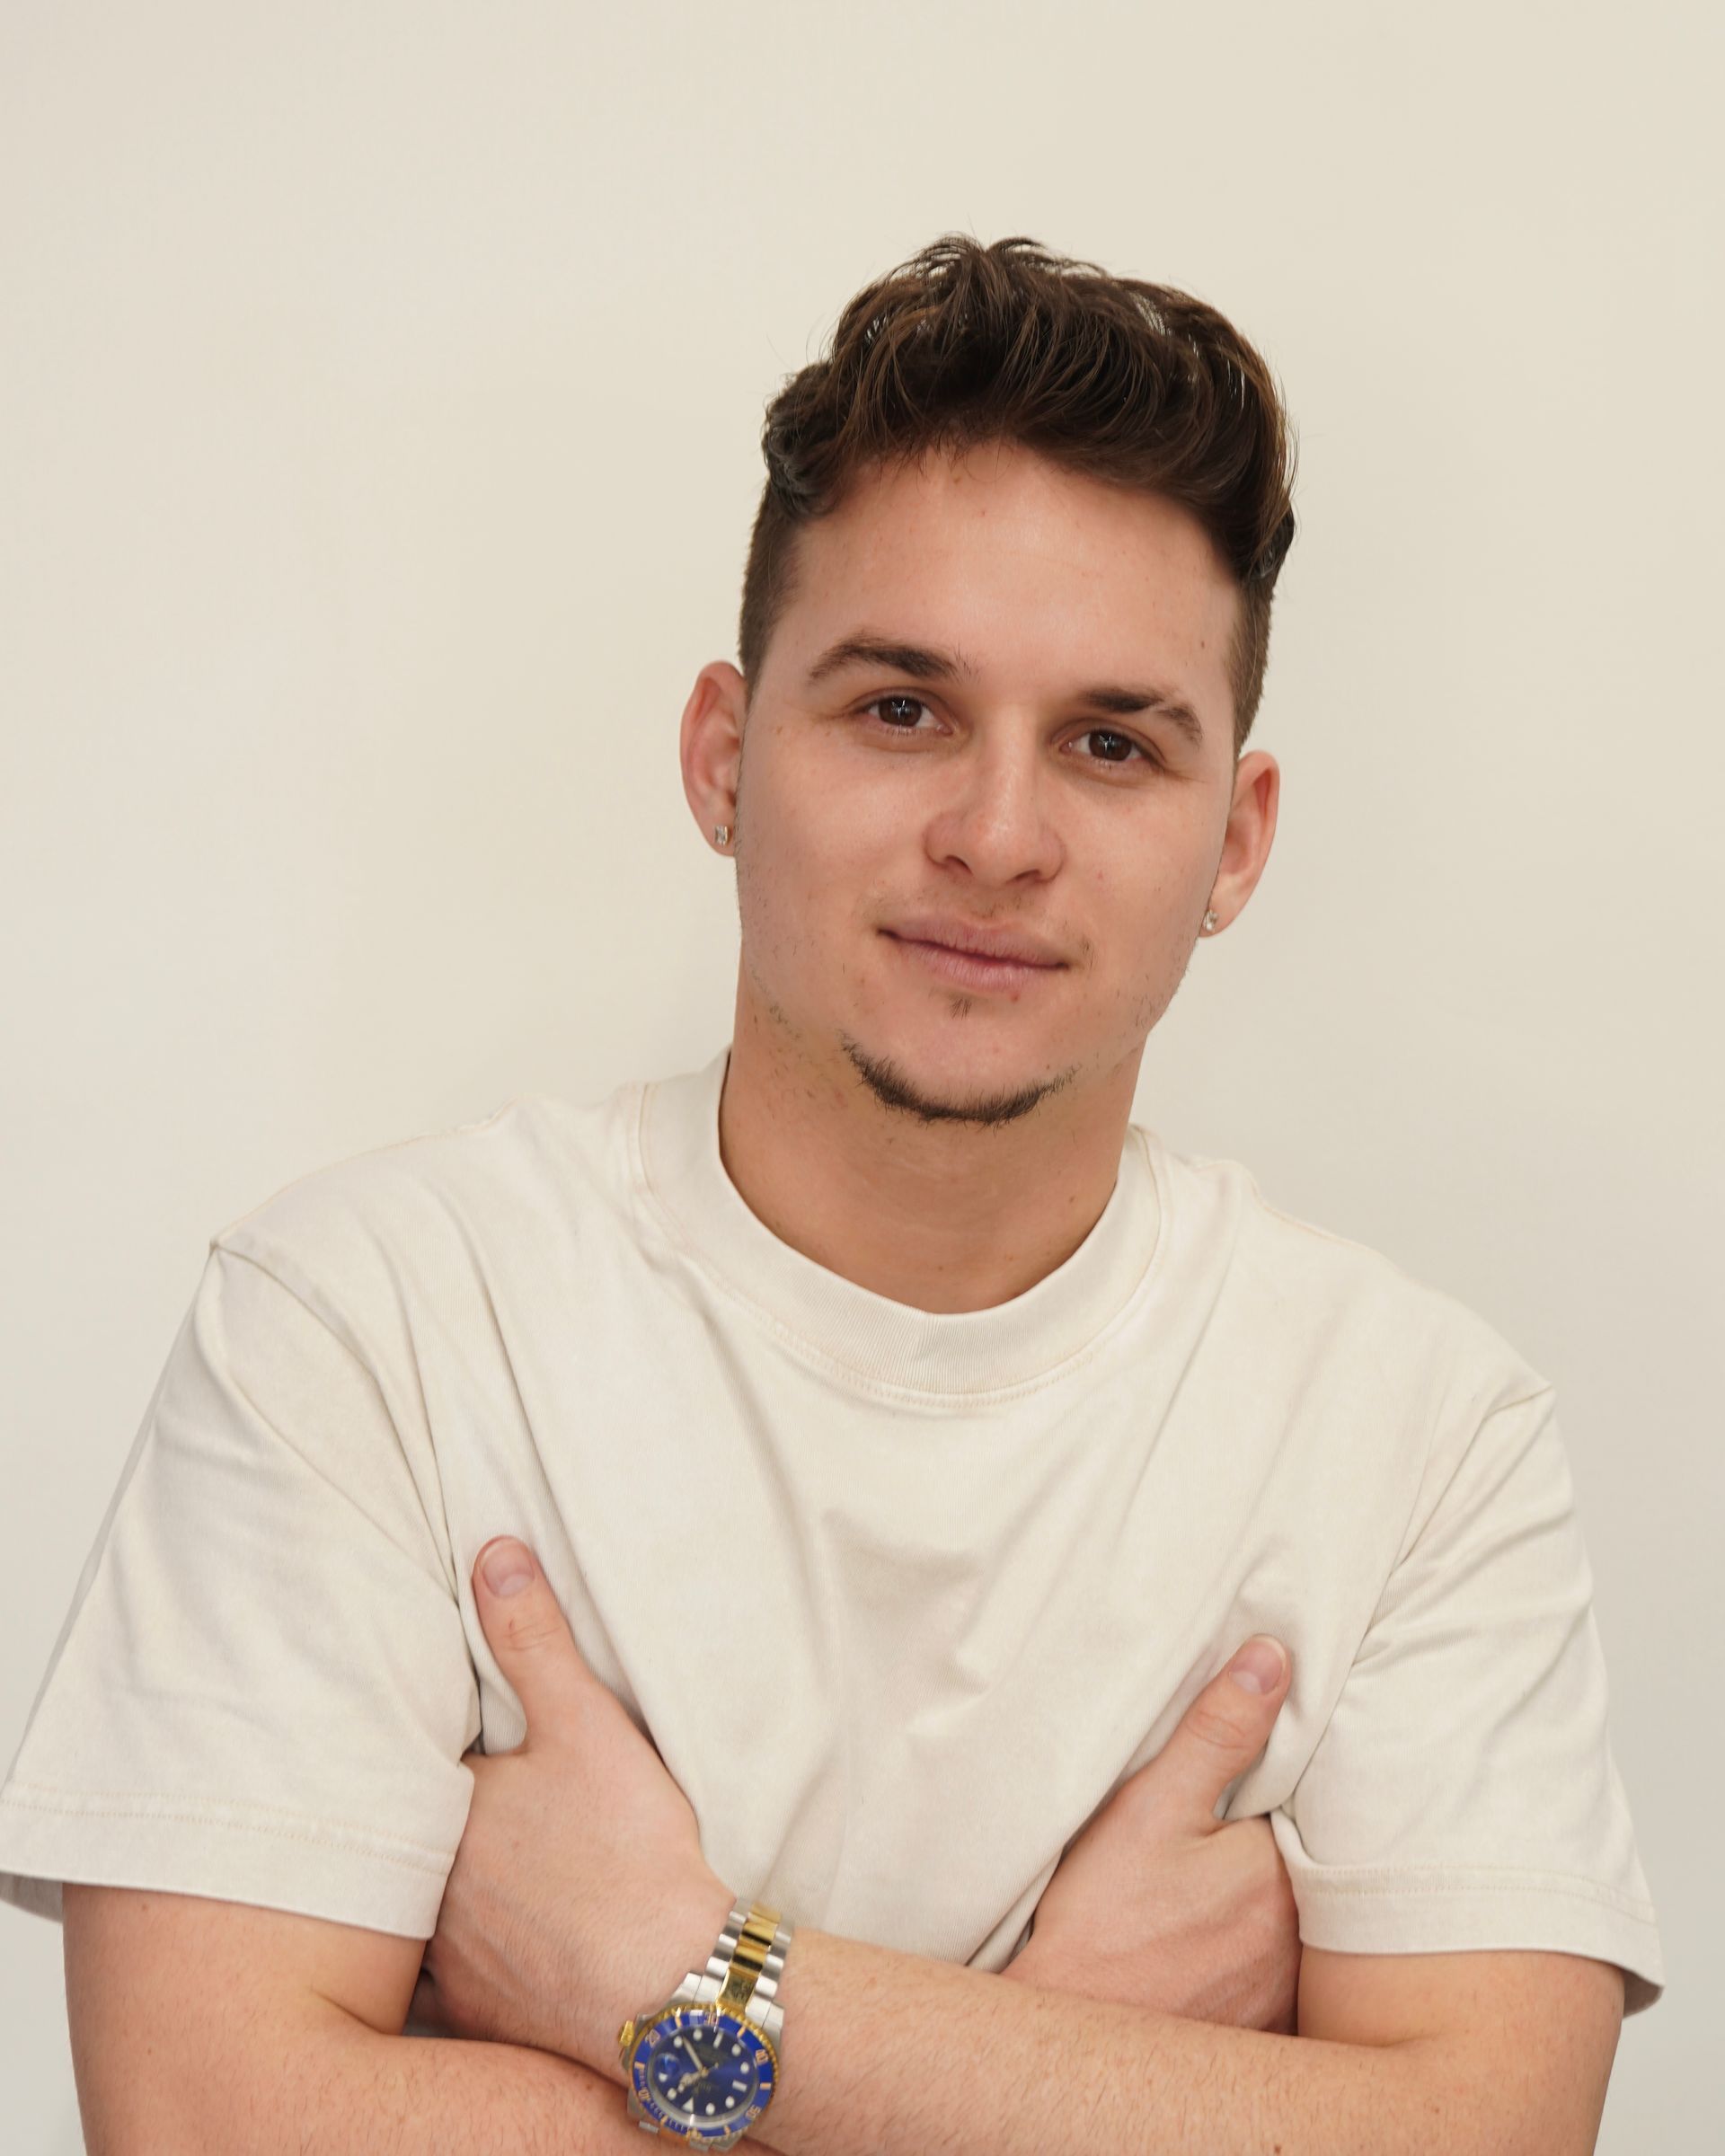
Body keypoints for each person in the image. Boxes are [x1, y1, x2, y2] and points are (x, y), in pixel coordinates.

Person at [0, 234, 1661, 2151]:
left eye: (1113, 745)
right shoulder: (367, 1325)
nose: (998, 835)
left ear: (1236, 840)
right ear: (723, 756)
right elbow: (213, 2124)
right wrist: (1064, 2083)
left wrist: (676, 1973)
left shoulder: (1420, 1433)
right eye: (901, 710)